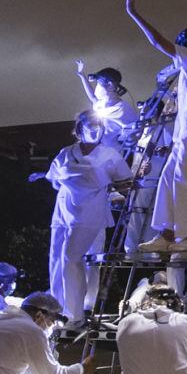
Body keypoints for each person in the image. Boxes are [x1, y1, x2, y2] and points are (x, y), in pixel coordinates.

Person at [126, 0, 187, 255]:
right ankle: (167, 233)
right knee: (169, 177)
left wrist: (134, 14)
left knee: (184, 180)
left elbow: (159, 42)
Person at [36, 111, 133, 324]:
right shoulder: (65, 153)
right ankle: (55, 310)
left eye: (99, 125)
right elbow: (54, 178)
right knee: (56, 259)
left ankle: (73, 315)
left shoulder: (110, 155)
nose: (95, 129)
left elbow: (126, 184)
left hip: (89, 214)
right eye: (91, 124)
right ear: (80, 128)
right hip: (63, 212)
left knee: (71, 259)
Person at [75, 62, 140, 152]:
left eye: (98, 84)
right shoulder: (101, 104)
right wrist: (82, 75)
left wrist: (123, 139)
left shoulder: (123, 109)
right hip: (95, 150)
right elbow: (92, 97)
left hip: (111, 153)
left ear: (110, 85)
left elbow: (135, 132)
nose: (97, 88)